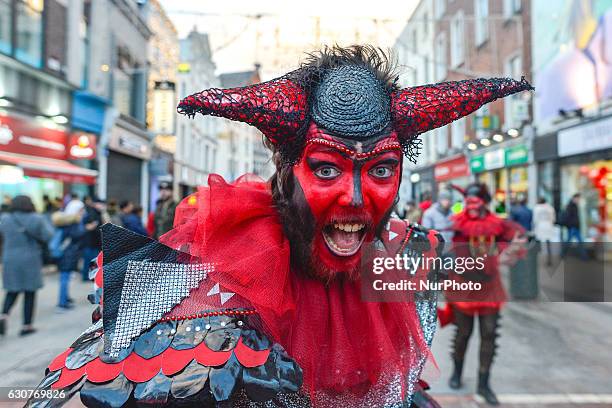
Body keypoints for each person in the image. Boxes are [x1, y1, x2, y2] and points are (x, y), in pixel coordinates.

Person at [32, 45, 531, 407]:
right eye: (327, 169)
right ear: (286, 168)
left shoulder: (402, 261)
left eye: (380, 170)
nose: (355, 199)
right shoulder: (206, 279)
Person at [441, 183, 526, 405]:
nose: (472, 206)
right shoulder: (458, 224)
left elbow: (513, 243)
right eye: (468, 201)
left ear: (484, 203)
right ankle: (457, 373)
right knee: (463, 333)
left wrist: (512, 250)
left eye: (476, 201)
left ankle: (484, 383)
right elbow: (448, 251)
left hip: (489, 287)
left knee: (489, 334)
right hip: (464, 286)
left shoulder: (497, 224)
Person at [0, 196, 53, 336]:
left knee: (11, 290)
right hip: (30, 258)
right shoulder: (37, 218)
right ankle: (26, 326)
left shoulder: (5, 218)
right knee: (30, 292)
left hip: (10, 258)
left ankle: (3, 316)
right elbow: (48, 236)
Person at [52, 200, 90, 310]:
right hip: (68, 252)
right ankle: (62, 303)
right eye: (81, 209)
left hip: (65, 252)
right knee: (64, 278)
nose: (83, 212)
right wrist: (86, 229)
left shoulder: (65, 220)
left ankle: (65, 299)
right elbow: (76, 235)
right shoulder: (73, 222)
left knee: (65, 277)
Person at [79, 197, 106, 281]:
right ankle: (87, 276)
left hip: (95, 241)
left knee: (93, 260)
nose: (102, 206)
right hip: (90, 241)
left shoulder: (98, 213)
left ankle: (90, 276)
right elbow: (88, 226)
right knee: (90, 260)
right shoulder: (91, 213)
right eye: (100, 204)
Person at [561, 193, 587, 259]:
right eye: (578, 199)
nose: (579, 200)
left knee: (579, 241)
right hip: (572, 227)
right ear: (574, 198)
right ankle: (562, 253)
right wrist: (571, 225)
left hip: (576, 227)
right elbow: (568, 217)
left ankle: (583, 256)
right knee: (569, 241)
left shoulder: (575, 205)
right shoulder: (570, 206)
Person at [533, 197, 556, 266]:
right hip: (548, 226)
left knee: (540, 244)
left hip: (540, 226)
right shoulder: (550, 208)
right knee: (548, 244)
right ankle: (549, 260)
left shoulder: (536, 208)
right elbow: (553, 219)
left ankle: (540, 261)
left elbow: (535, 219)